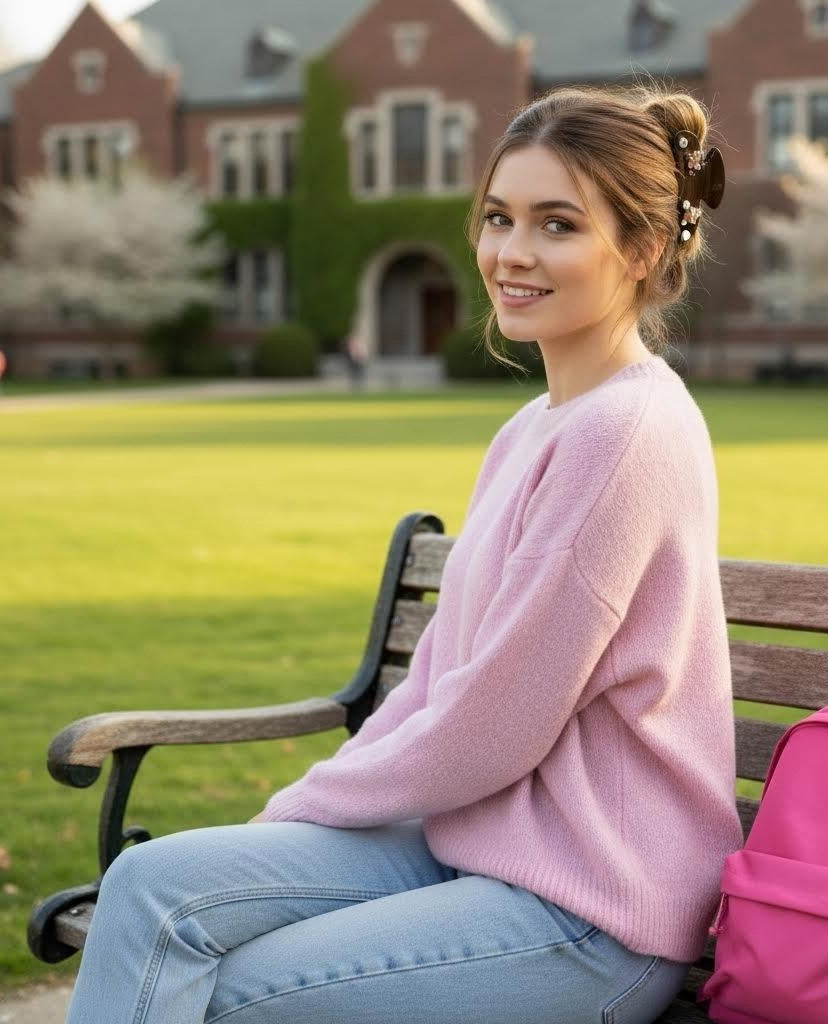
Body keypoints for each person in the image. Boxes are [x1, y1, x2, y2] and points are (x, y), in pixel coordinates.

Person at [64, 83, 742, 1024]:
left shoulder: (627, 432)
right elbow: (437, 680)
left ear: (639, 248)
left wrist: (311, 801)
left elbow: (492, 725)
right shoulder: (534, 428)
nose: (512, 252)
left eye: (557, 225)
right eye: (499, 217)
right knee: (149, 887)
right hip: (473, 837)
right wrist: (305, 811)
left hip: (589, 905)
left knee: (228, 993)